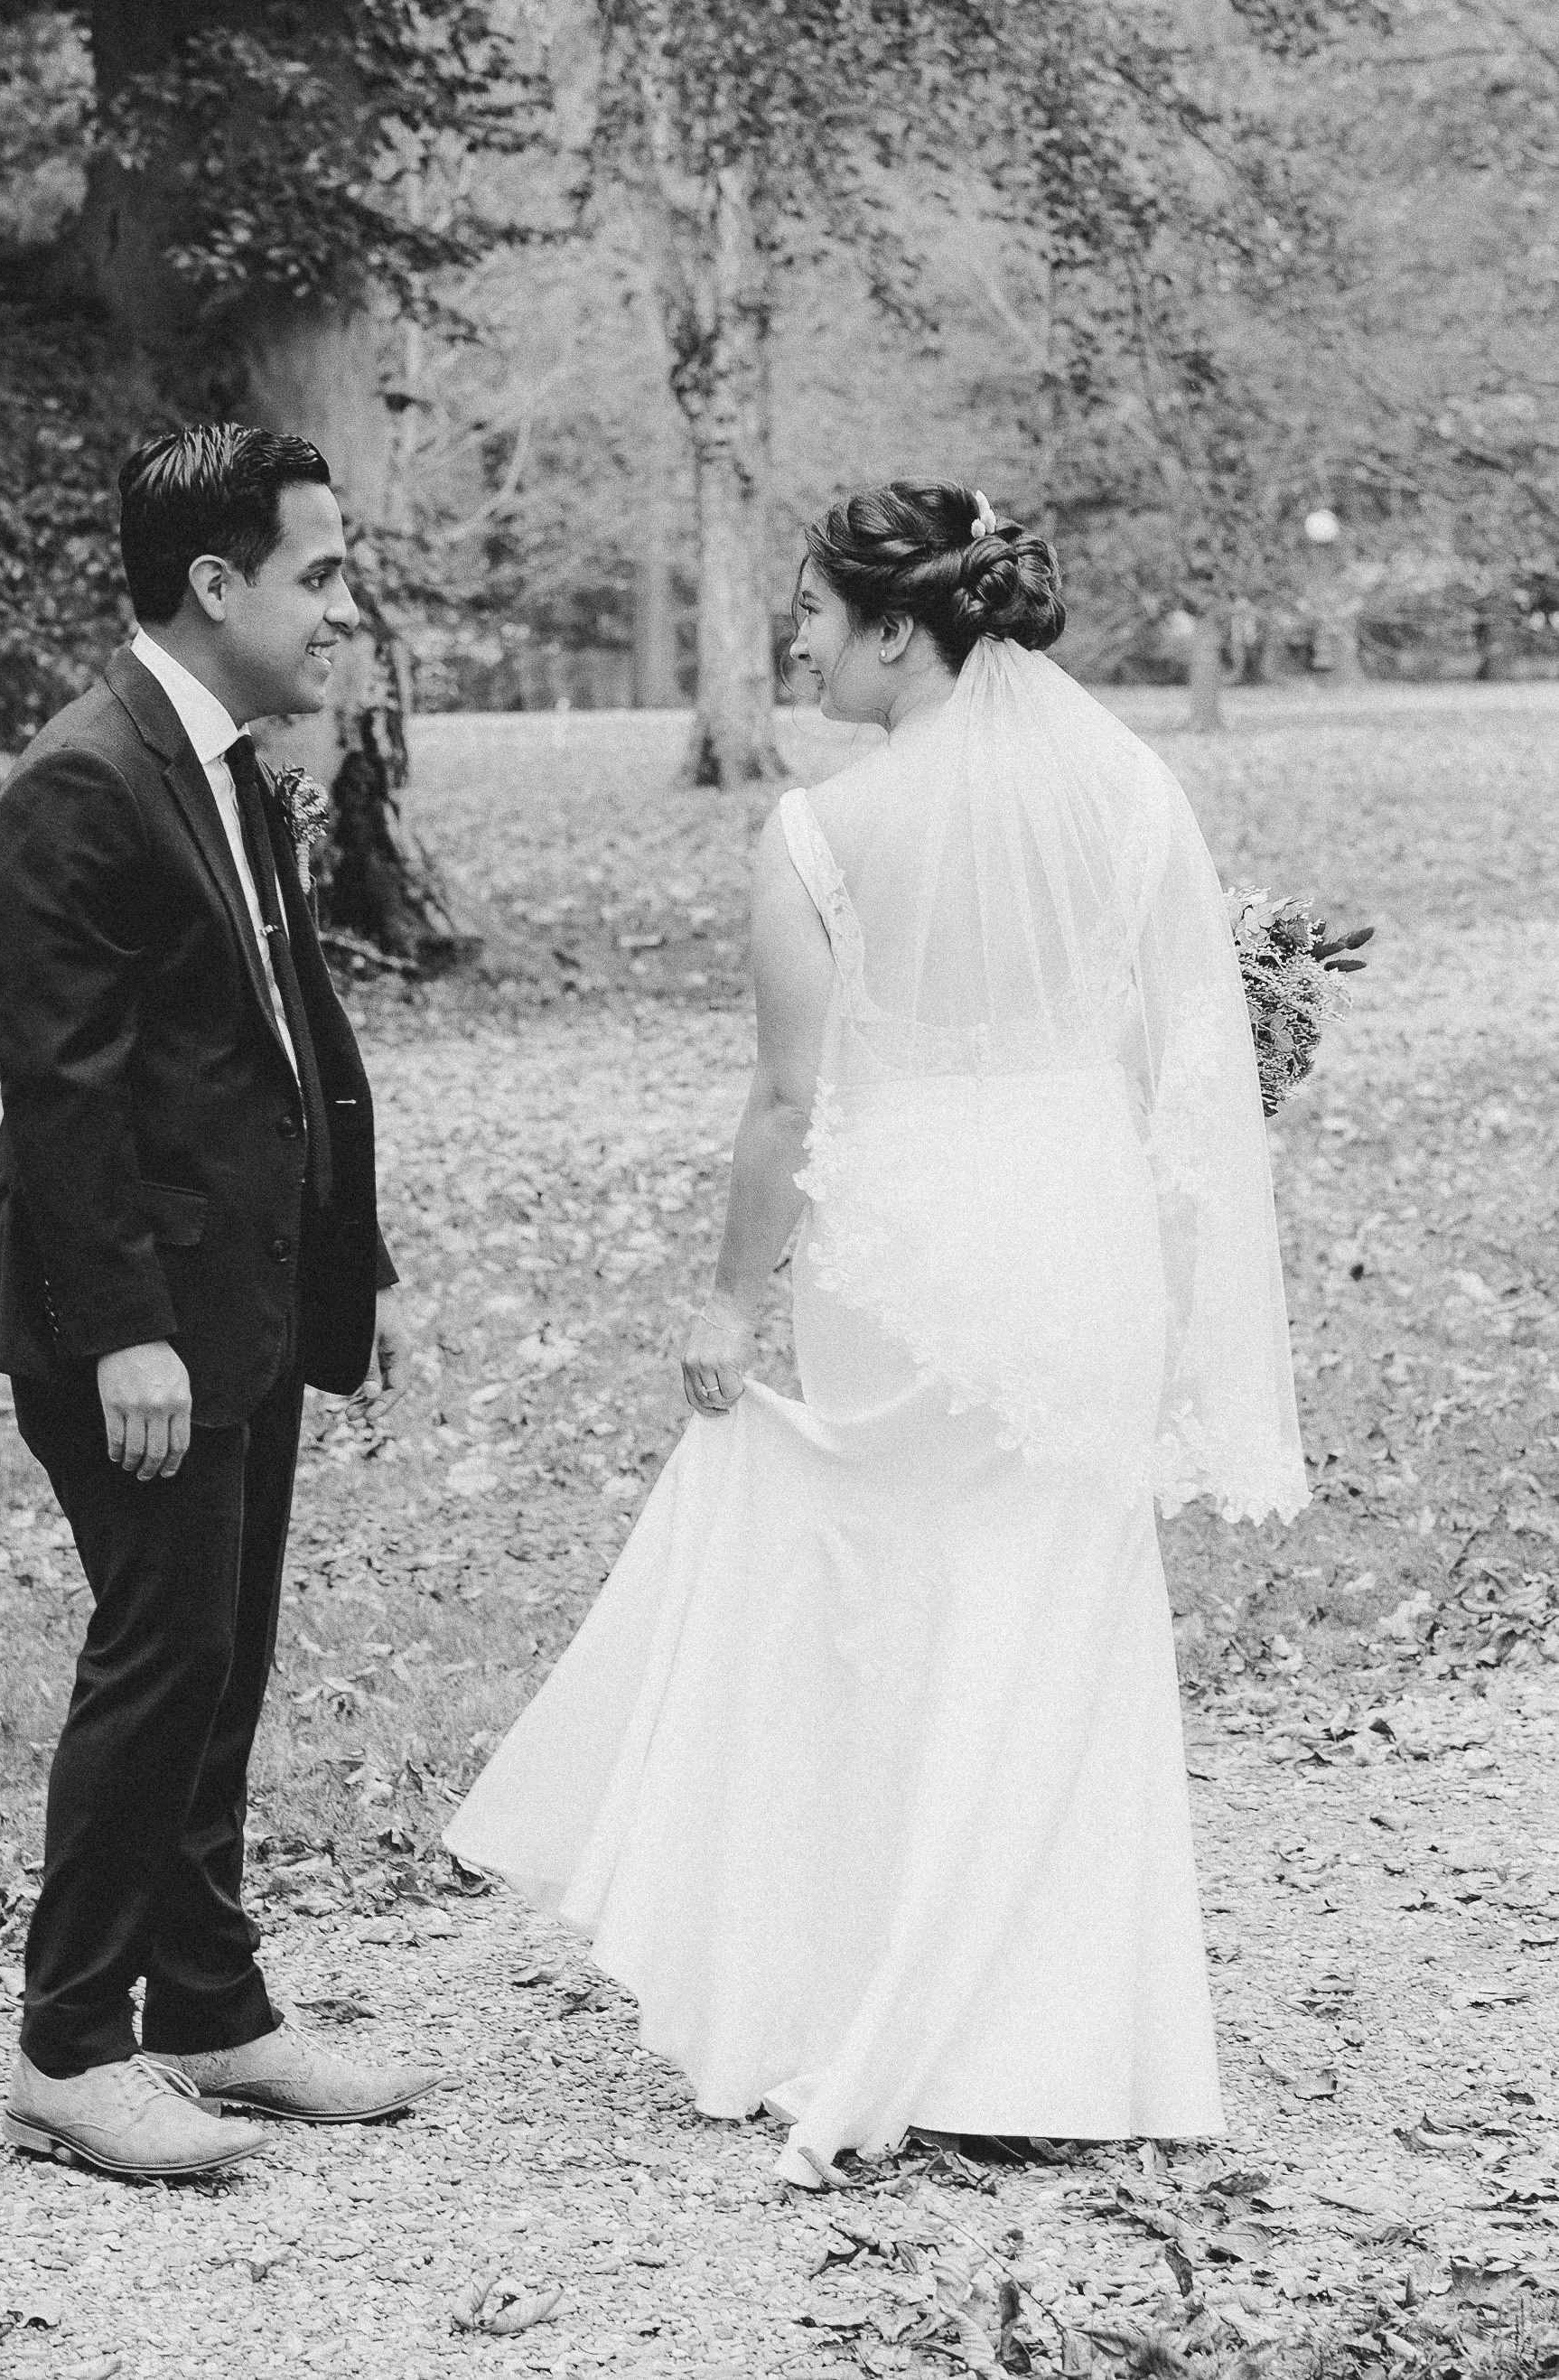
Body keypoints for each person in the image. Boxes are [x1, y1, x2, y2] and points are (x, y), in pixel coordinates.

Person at [444, 482, 1309, 2186]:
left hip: (907, 1257)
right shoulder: (1132, 792)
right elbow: (1188, 1050)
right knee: (1060, 1614)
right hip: (1079, 1247)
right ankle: (1067, 2041)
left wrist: (722, 1297)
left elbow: (788, 1099)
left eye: (819, 615)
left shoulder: (825, 834)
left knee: (904, 1615)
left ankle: (893, 2002)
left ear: (902, 629)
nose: (796, 640)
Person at [0, 423, 441, 2180]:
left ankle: (215, 2012)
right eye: (318, 574)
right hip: (136, 1332)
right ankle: (70, 2046)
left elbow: (285, 1037)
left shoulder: (228, 761)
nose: (339, 607)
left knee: (221, 1657)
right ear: (215, 582)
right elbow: (65, 1089)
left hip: (241, 1301)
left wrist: (352, 1261)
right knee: (161, 1652)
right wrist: (125, 1333)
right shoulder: (79, 783)